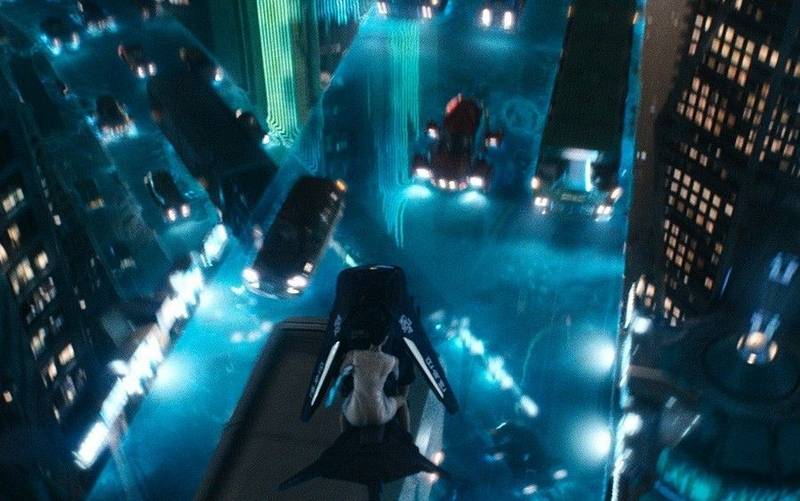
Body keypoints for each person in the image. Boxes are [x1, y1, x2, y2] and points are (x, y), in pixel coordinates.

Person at [338, 308, 410, 431]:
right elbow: (396, 376)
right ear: (385, 338)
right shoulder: (392, 360)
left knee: (344, 407)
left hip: (355, 416)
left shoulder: (354, 355)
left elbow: (342, 371)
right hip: (380, 414)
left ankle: (343, 436)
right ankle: (407, 435)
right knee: (402, 401)